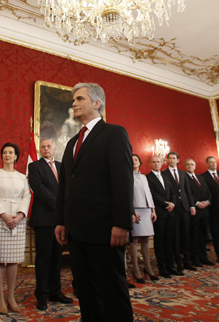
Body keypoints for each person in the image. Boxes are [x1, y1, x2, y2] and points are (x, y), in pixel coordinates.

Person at [55, 82, 134, 322]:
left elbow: (123, 180)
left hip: (105, 230)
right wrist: (61, 220)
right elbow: (65, 186)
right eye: (73, 100)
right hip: (77, 232)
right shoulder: (71, 143)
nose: (74, 103)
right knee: (86, 291)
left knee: (112, 291)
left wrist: (121, 223)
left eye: (80, 99)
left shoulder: (114, 133)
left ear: (97, 103)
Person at [27, 138, 73, 310]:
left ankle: (56, 292)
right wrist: (60, 205)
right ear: (40, 149)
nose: (46, 149)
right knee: (43, 259)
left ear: (54, 148)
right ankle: (42, 295)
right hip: (44, 220)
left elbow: (68, 188)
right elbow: (38, 189)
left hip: (60, 221)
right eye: (43, 147)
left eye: (49, 146)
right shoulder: (35, 167)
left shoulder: (62, 166)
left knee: (57, 259)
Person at [0, 142, 31, 314]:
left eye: (11, 152)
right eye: (4, 152)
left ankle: (11, 296)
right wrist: (4, 215)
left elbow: (26, 197)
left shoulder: (22, 177)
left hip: (17, 221)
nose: (7, 155)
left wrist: (19, 216)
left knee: (13, 259)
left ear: (16, 156)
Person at [163, 151, 196, 272]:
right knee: (175, 236)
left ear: (178, 160)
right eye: (170, 158)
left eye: (174, 158)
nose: (172, 160)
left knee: (186, 235)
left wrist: (192, 206)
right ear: (167, 160)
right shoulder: (164, 174)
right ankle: (178, 263)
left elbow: (188, 191)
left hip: (185, 208)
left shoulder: (183, 174)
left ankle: (187, 261)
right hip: (173, 209)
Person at [146, 155, 177, 277]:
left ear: (162, 163)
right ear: (150, 164)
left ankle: (171, 266)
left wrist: (172, 203)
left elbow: (173, 192)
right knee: (160, 242)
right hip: (159, 212)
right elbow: (152, 194)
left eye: (158, 162)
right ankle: (162, 268)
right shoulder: (148, 177)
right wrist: (165, 204)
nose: (156, 164)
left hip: (170, 212)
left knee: (169, 241)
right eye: (153, 162)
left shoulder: (166, 176)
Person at [129, 154, 158, 283]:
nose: (134, 161)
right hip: (136, 210)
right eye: (132, 160)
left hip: (146, 211)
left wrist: (153, 210)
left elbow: (149, 194)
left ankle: (148, 268)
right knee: (134, 241)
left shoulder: (144, 177)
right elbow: (127, 195)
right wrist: (132, 211)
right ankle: (136, 270)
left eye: (136, 160)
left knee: (146, 240)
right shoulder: (127, 177)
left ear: (140, 162)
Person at [185, 158, 215, 267]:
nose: (190, 166)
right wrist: (197, 203)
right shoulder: (184, 178)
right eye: (187, 164)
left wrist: (208, 201)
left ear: (195, 166)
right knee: (194, 236)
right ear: (185, 166)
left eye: (192, 164)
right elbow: (187, 194)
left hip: (205, 210)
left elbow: (208, 192)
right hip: (194, 211)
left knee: (204, 235)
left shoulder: (201, 178)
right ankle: (195, 258)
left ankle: (204, 257)